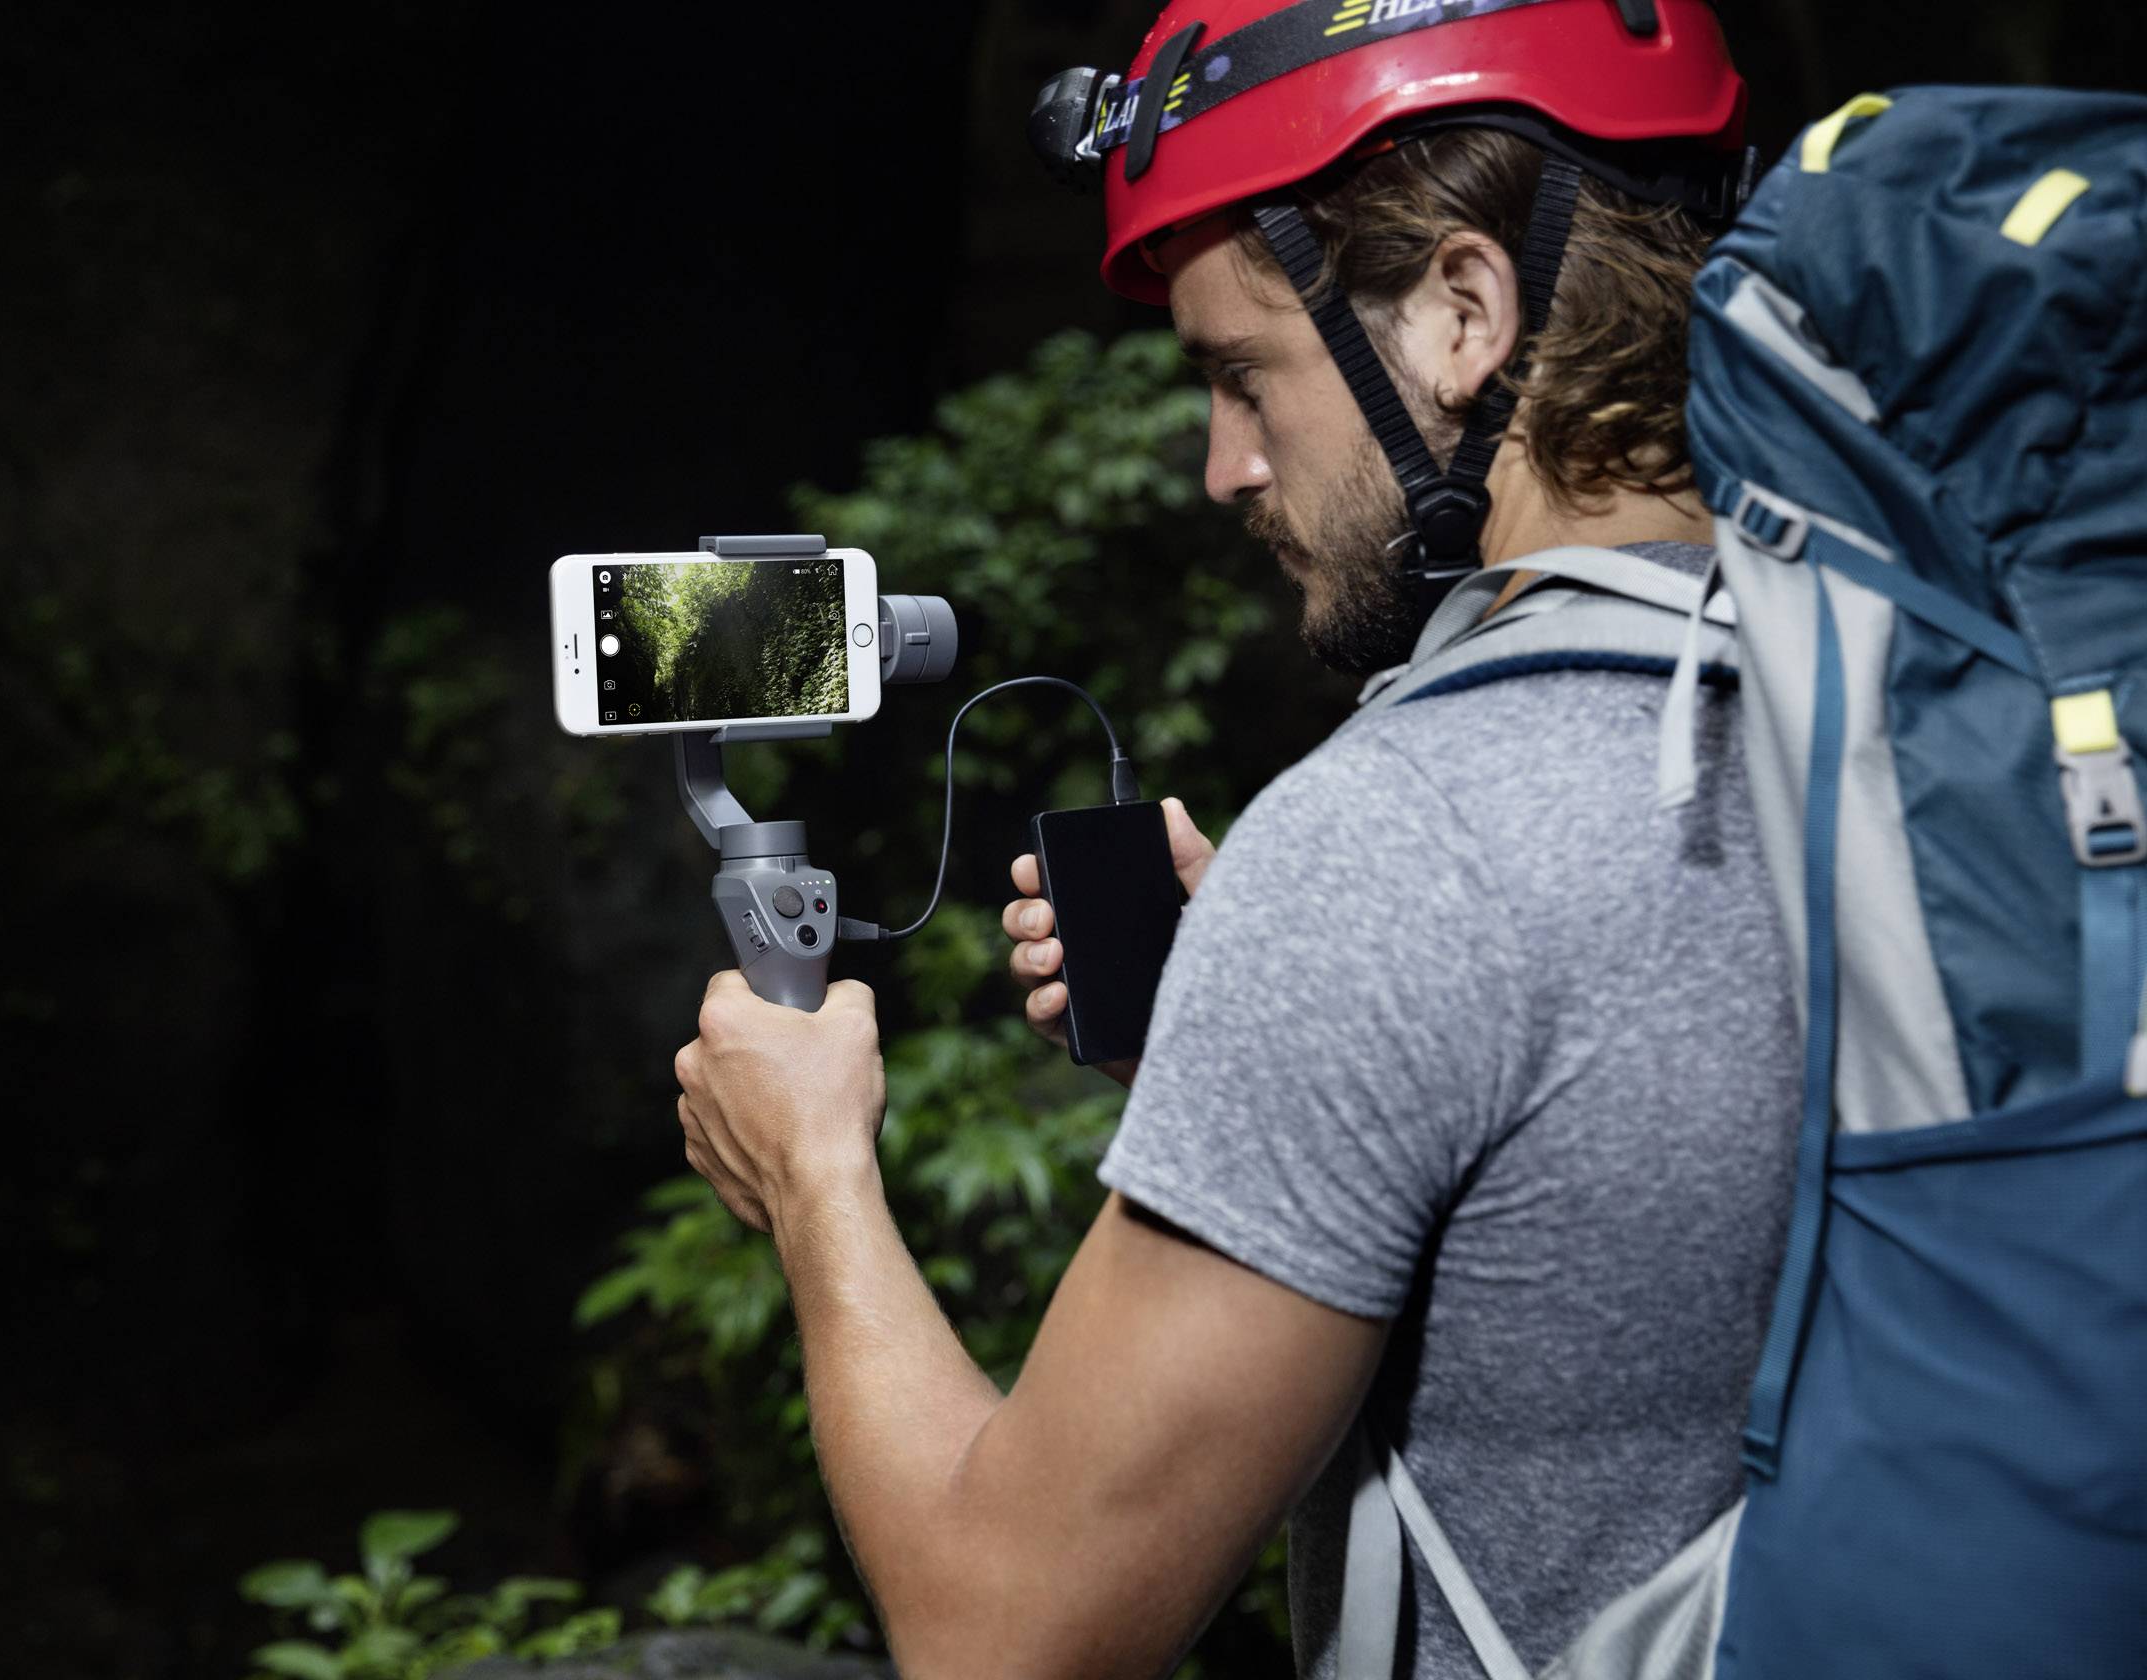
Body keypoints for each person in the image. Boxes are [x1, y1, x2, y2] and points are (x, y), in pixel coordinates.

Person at [669, 2, 1800, 1675]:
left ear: (1462, 311)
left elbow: (1005, 1635)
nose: (1224, 464)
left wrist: (814, 1171)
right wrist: (1314, 1051)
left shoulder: (1403, 841)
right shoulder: (1879, 689)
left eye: (1241, 373)